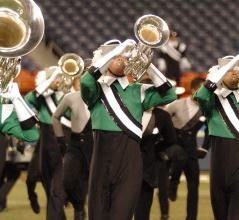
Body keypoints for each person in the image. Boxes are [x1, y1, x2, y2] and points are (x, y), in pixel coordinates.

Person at [80, 39, 177, 220]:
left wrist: (147, 65)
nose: (121, 60)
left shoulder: (138, 90)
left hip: (130, 160)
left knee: (122, 213)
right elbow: (86, 81)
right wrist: (115, 51)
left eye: (124, 58)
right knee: (98, 213)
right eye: (116, 58)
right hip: (102, 157)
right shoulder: (97, 89)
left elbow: (170, 94)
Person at [194, 55, 239, 220]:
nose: (234, 73)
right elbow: (201, 95)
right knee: (219, 212)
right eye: (230, 71)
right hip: (220, 161)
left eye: (236, 70)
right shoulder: (212, 100)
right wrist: (218, 75)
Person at [24, 66, 70, 220]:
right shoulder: (42, 98)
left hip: (63, 148)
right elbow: (28, 100)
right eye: (54, 78)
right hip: (44, 148)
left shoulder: (67, 96)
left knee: (56, 192)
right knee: (45, 187)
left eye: (59, 78)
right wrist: (49, 82)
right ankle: (33, 197)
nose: (58, 81)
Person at [165, 77, 208, 220]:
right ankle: (172, 187)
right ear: (193, 90)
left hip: (191, 151)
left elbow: (210, 129)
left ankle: (191, 217)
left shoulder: (206, 108)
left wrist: (205, 148)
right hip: (175, 148)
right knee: (162, 184)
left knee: (193, 187)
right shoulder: (177, 104)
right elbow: (162, 120)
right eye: (201, 90)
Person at [52, 76, 93, 220]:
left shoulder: (101, 97)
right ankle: (79, 207)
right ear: (76, 85)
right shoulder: (71, 97)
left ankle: (80, 213)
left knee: (91, 183)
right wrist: (60, 139)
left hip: (94, 145)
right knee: (68, 180)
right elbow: (56, 116)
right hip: (74, 145)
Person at [134, 105, 180, 220]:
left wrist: (155, 149)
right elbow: (171, 140)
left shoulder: (162, 115)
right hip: (141, 165)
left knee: (142, 208)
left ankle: (165, 214)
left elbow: (171, 140)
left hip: (147, 166)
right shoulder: (162, 115)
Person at [0, 81, 39, 211]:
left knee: (10, 173)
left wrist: (16, 98)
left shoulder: (5, 112)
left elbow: (32, 135)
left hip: (5, 145)